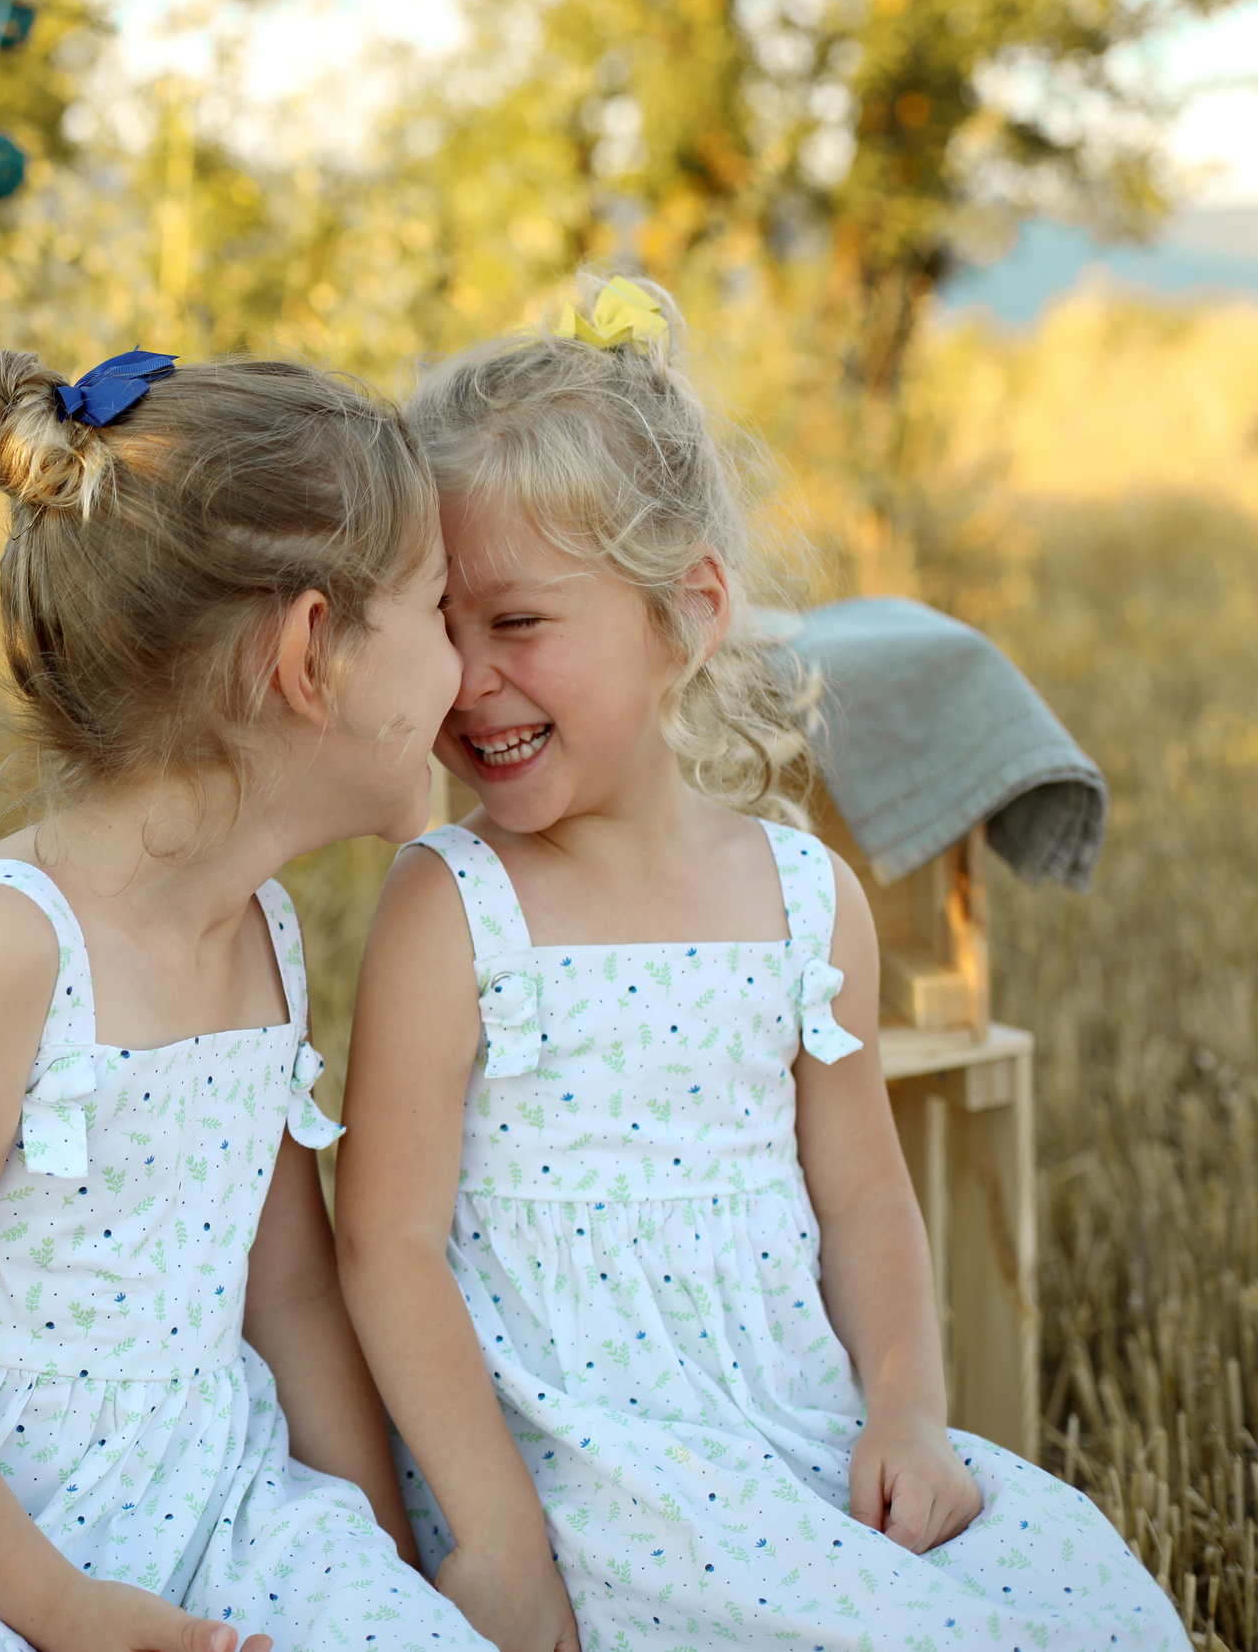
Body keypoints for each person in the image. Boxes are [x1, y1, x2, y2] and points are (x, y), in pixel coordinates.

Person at [334, 273, 1187, 1652]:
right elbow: (385, 1243)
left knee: (1082, 1594)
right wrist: (495, 1532)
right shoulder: (455, 904)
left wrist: (908, 1411)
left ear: (689, 614)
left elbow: (862, 1199)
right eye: (442, 627)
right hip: (574, 1464)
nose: (468, 681)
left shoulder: (803, 897)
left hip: (790, 1426)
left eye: (518, 624)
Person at [0, 348, 491, 1652]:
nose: (465, 664)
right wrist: (58, 1607)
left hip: (198, 1495)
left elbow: (288, 1302)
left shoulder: (265, 935)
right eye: (438, 609)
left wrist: (384, 1570)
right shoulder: (7, 947)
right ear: (312, 652)